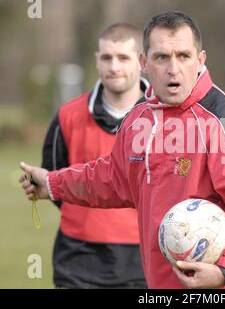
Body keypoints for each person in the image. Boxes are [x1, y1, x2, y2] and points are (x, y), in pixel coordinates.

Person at [19, 11, 225, 289]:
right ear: (144, 63)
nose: (173, 68)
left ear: (200, 60)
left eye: (183, 56)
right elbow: (114, 179)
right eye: (162, 57)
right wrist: (52, 183)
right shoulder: (139, 118)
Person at [41, 22, 147, 288]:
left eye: (123, 57)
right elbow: (55, 181)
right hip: (78, 257)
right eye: (107, 58)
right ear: (97, 61)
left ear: (141, 61)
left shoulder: (167, 119)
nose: (114, 67)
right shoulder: (68, 116)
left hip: (144, 257)